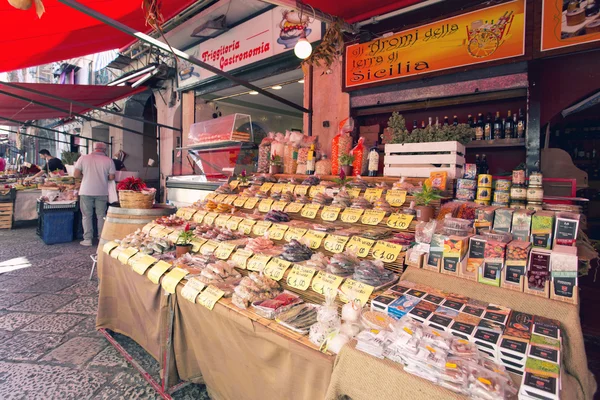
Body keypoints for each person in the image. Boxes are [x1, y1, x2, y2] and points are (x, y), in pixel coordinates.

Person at [74, 142, 115, 247]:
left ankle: (87, 239)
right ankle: (101, 238)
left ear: (94, 148)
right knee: (101, 215)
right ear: (104, 150)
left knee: (86, 216)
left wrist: (86, 174)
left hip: (86, 191)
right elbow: (111, 177)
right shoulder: (108, 160)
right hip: (101, 191)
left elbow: (76, 175)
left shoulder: (83, 158)